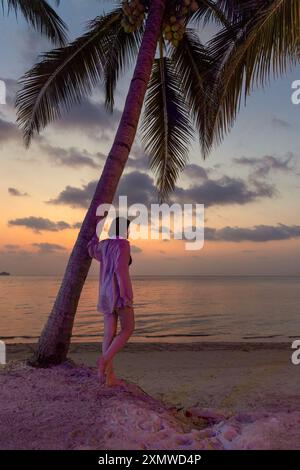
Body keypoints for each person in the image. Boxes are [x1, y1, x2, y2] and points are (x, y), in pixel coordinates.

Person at [87, 216, 134, 386]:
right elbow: (121, 271)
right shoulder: (122, 244)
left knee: (109, 333)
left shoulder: (104, 244)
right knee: (128, 329)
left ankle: (107, 375)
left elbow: (92, 250)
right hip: (117, 292)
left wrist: (96, 230)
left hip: (105, 293)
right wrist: (126, 295)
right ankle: (103, 360)